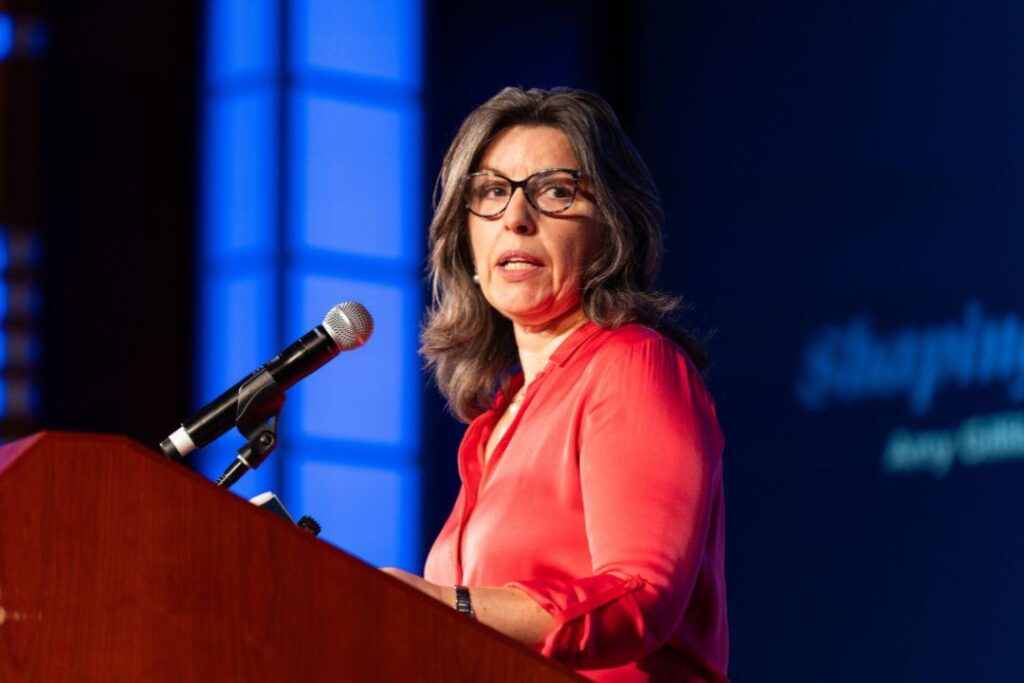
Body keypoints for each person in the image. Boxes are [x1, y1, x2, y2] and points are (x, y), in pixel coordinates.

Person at [382, 87, 728, 682]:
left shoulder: (634, 365)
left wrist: (442, 605)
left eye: (555, 191)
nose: (516, 217)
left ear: (612, 230)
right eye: (491, 192)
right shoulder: (497, 418)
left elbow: (638, 595)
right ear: (465, 242)